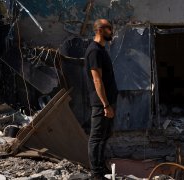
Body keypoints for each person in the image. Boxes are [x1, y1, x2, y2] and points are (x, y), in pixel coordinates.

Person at [84, 19, 118, 180]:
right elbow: (97, 80)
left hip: (109, 102)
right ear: (100, 30)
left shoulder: (102, 50)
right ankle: (95, 173)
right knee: (96, 137)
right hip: (101, 104)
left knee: (105, 135)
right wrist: (105, 105)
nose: (112, 31)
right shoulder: (94, 51)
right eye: (109, 28)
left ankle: (100, 166)